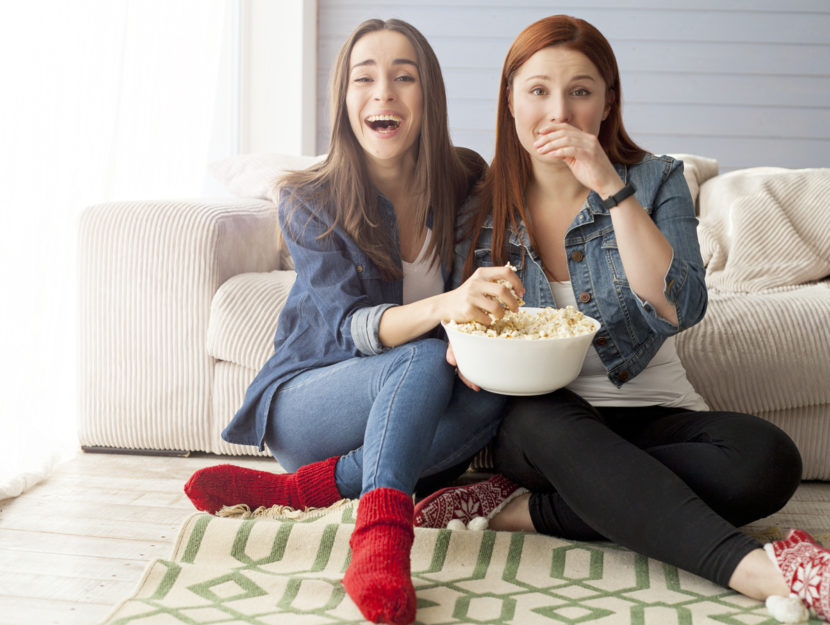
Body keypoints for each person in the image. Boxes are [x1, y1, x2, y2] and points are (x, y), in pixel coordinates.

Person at [412, 15, 828, 624]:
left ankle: (527, 513)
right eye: (538, 90)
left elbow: (676, 306)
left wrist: (609, 186)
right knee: (537, 417)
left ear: (608, 102)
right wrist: (460, 344)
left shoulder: (656, 179)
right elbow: (451, 313)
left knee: (768, 460)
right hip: (541, 425)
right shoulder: (477, 200)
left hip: (653, 412)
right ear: (509, 98)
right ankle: (754, 569)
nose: (559, 111)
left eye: (580, 91)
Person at [182, 18, 523, 625]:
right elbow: (348, 327)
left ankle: (306, 491)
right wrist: (443, 309)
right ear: (344, 100)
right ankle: (381, 539)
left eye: (404, 78)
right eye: (364, 78)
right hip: (314, 395)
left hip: (411, 409)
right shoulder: (307, 196)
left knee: (503, 384)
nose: (383, 93)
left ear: (429, 97)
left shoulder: (464, 175)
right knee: (419, 355)